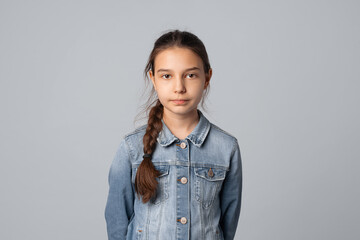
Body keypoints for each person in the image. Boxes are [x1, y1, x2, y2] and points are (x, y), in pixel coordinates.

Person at [105, 29, 242, 240]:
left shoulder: (226, 148)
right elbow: (117, 222)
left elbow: (226, 226)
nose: (179, 87)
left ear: (207, 78)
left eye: (190, 75)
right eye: (167, 76)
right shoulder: (131, 148)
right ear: (153, 78)